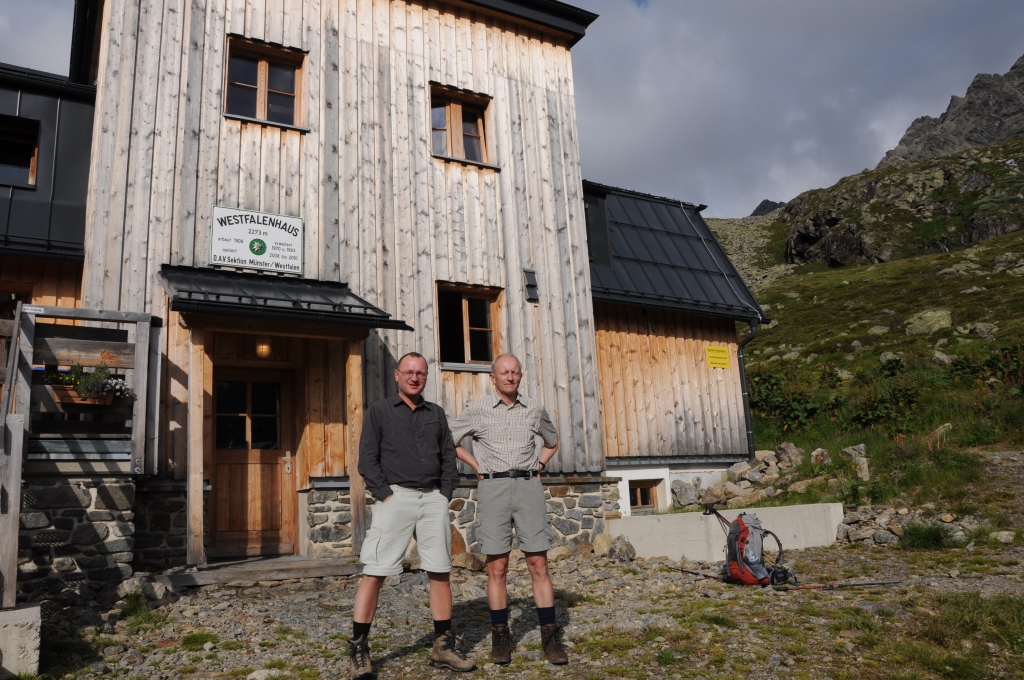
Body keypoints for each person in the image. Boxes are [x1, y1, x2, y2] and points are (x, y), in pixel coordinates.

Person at [348, 352, 476, 679]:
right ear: (397, 375)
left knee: (440, 571)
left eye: (420, 373)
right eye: (409, 372)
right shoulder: (379, 411)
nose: (414, 377)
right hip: (397, 497)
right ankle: (359, 648)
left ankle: (442, 646)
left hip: (433, 498)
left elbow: (449, 456)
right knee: (375, 572)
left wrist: (445, 494)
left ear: (426, 377)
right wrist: (386, 496)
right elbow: (367, 459)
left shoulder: (436, 413)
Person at [449, 353, 569, 666]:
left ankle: (550, 634)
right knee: (497, 566)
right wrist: (476, 464)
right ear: (493, 377)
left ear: (520, 375)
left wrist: (540, 464)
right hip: (494, 488)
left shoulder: (534, 407)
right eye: (504, 372)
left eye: (515, 372)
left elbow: (552, 440)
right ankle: (500, 634)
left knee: (538, 564)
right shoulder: (477, 410)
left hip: (528, 487)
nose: (510, 377)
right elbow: (449, 440)